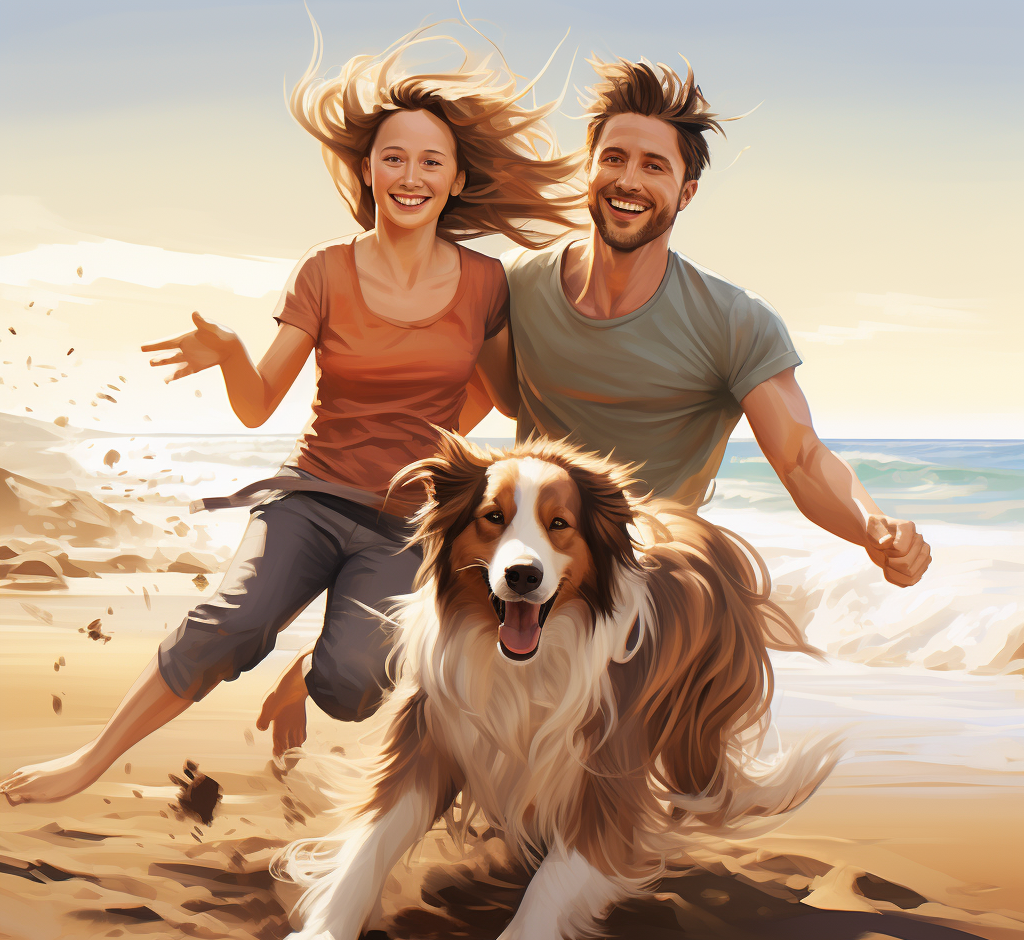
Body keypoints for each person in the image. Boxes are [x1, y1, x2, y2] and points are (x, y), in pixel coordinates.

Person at [0, 24, 584, 805]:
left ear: (454, 179)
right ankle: (89, 760)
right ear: (369, 172)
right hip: (311, 496)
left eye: (430, 161)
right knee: (229, 624)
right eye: (393, 158)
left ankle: (297, 682)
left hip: (404, 523)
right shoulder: (325, 271)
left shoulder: (484, 283)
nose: (410, 175)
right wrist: (235, 351)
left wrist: (441, 444)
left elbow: (506, 394)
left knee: (351, 686)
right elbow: (256, 406)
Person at [501, 56, 931, 588]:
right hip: (530, 567)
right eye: (613, 158)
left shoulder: (734, 321)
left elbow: (799, 458)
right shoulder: (518, 286)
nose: (628, 180)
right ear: (589, 168)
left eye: (654, 166)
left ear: (687, 192)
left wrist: (873, 527)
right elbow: (467, 397)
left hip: (653, 573)